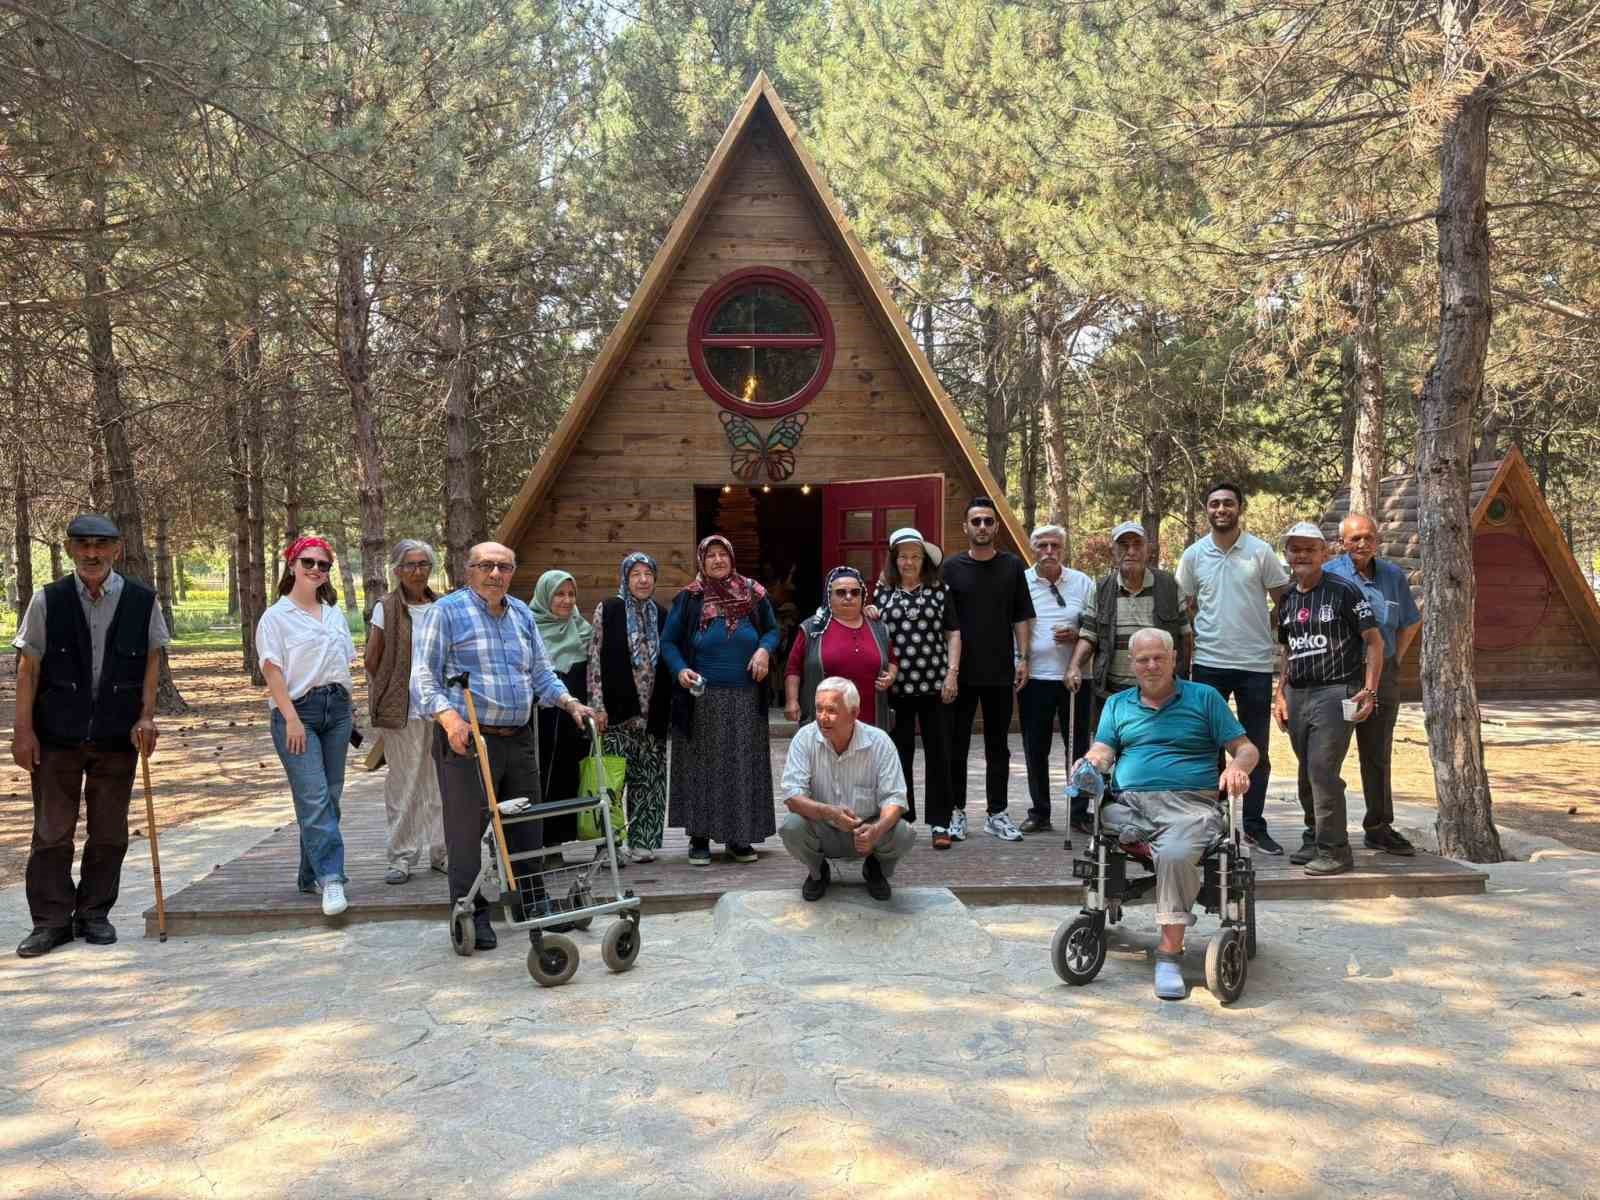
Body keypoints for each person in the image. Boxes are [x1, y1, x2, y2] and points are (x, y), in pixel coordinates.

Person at [411, 542, 596, 952]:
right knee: (466, 831)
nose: (496, 574)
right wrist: (449, 718)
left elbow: (542, 674)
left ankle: (532, 898)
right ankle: (471, 910)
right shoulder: (447, 612)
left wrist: (568, 702)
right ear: (469, 570)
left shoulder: (522, 615)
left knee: (527, 826)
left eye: (505, 567)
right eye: (487, 566)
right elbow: (423, 677)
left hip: (518, 737)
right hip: (468, 740)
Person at [12, 514, 170, 958]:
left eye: (101, 545)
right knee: (51, 832)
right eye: (82, 545)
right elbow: (29, 667)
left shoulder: (142, 600)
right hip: (56, 736)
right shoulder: (48, 600)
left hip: (118, 737)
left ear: (117, 549)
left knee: (109, 832)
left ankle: (94, 914)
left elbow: (153, 660)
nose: (92, 553)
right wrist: (22, 731)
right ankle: (51, 921)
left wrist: (147, 716)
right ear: (69, 550)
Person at [1077, 628, 1258, 1000]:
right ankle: (1144, 836)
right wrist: (1091, 763)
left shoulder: (1204, 698)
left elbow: (1246, 748)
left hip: (1189, 805)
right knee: (1106, 820)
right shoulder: (1118, 704)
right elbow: (1103, 749)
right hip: (1130, 805)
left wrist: (1238, 767)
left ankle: (1169, 956)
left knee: (1175, 854)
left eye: (1159, 657)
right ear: (1133, 664)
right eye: (1143, 659)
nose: (1151, 665)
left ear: (1174, 658)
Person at [1176, 482, 1292, 854]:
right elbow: (1187, 606)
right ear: (1206, 509)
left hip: (1255, 664)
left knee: (1255, 747)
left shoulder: (1260, 553)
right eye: (1214, 504)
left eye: (1228, 503)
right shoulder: (1193, 555)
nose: (1221, 509)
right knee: (1207, 749)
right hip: (1208, 664)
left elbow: (1283, 602)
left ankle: (1254, 825)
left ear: (1240, 508)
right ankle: (1215, 823)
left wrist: (1265, 632)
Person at [1272, 522, 1384, 877]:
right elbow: (1287, 650)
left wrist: (1369, 690)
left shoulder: (1344, 591)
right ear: (1287, 556)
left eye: (1310, 549)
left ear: (1324, 553)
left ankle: (1336, 850)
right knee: (1306, 770)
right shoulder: (1287, 598)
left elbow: (1374, 642)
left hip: (1336, 691)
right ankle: (1313, 838)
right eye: (1295, 549)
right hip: (1297, 692)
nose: (1302, 555)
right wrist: (1280, 693)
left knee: (1322, 769)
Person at [661, 535, 780, 866]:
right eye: (710, 555)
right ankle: (699, 838)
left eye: (722, 554)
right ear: (701, 561)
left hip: (745, 697)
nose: (717, 560)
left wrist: (763, 650)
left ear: (731, 557)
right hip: (702, 699)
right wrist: (681, 668)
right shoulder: (690, 598)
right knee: (703, 768)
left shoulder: (754, 594)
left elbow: (772, 630)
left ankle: (738, 838)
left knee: (741, 766)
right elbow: (668, 642)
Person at [257, 535, 360, 917]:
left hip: (337, 710)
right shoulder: (276, 617)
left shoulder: (333, 613)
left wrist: (352, 711)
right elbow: (272, 671)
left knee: (330, 797)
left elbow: (342, 667)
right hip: (297, 712)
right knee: (314, 798)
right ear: (292, 566)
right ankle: (333, 879)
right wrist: (292, 720)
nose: (316, 570)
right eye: (309, 563)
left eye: (323, 565)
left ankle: (309, 874)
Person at [1069, 521, 1191, 832]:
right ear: (1114, 551)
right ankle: (1111, 819)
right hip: (1112, 692)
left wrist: (1183, 678)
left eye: (1137, 544)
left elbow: (1185, 637)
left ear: (1149, 549)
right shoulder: (1102, 588)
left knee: (1154, 751)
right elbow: (1090, 633)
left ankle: (1158, 814)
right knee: (1107, 753)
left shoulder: (1168, 585)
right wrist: (1074, 665)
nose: (1131, 551)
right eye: (1123, 545)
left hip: (1159, 693)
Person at [1326, 513, 1422, 856]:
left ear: (1376, 540)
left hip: (1383, 678)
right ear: (1342, 542)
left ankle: (1379, 826)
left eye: (1368, 537)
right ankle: (1322, 829)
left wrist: (1390, 659)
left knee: (1377, 755)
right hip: (1339, 677)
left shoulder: (1394, 576)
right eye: (1355, 539)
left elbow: (1409, 622)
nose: (1362, 544)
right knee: (1327, 754)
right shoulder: (1330, 575)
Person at [942, 496, 1034, 842]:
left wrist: (1023, 658)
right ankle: (956, 812)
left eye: (988, 521)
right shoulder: (950, 569)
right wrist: (948, 670)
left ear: (996, 527)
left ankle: (997, 813)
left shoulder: (1012, 567)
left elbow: (1021, 615)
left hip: (999, 672)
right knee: (956, 745)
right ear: (965, 527)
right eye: (976, 521)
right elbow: (945, 624)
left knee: (999, 746)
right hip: (960, 673)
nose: (982, 526)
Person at [779, 677, 916, 901]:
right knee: (791, 827)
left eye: (831, 710)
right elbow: (793, 797)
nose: (823, 717)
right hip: (822, 827)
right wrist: (829, 812)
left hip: (866, 830)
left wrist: (877, 830)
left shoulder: (879, 741)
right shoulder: (804, 738)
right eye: (819, 709)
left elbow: (895, 797)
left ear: (854, 713)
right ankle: (817, 872)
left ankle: (876, 868)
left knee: (904, 833)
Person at [364, 538, 445, 885]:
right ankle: (401, 856)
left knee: (443, 784)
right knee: (405, 783)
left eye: (423, 564)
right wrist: (392, 688)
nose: (417, 571)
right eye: (410, 565)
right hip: (403, 710)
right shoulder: (387, 607)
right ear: (397, 570)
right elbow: (371, 659)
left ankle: (443, 852)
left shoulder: (442, 606)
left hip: (441, 710)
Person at [871, 527, 958, 848]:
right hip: (896, 689)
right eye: (903, 556)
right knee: (898, 756)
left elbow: (953, 634)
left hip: (935, 686)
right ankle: (901, 821)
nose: (909, 562)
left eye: (915, 556)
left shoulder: (940, 591)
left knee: (939, 754)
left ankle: (940, 823)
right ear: (895, 560)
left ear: (925, 560)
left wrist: (952, 674)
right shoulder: (880, 594)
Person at [586, 552, 672, 863]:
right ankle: (610, 844)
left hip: (653, 713)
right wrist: (597, 706)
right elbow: (595, 658)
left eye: (648, 573)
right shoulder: (609, 609)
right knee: (611, 781)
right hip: (616, 712)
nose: (643, 580)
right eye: (635, 573)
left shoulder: (662, 615)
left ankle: (643, 841)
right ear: (625, 577)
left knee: (649, 780)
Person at [1017, 524, 1095, 837]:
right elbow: (1013, 625)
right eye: (1043, 546)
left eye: (1055, 546)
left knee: (1077, 748)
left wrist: (1077, 636)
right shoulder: (1021, 582)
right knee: (1036, 748)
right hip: (1035, 678)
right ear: (1033, 548)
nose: (1049, 552)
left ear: (1063, 549)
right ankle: (1040, 812)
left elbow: (1094, 626)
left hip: (1076, 677)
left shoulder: (1082, 582)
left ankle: (1078, 812)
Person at [784, 565, 896, 728]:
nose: (849, 597)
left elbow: (893, 660)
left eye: (855, 592)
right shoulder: (812, 629)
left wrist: (891, 676)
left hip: (871, 720)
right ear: (829, 597)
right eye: (841, 592)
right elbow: (793, 668)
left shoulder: (878, 628)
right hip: (825, 720)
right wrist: (791, 701)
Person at [530, 570, 591, 849]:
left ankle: (557, 842)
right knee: (539, 777)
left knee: (569, 777)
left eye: (571, 594)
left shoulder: (582, 629)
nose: (566, 601)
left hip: (573, 721)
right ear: (545, 596)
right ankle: (535, 842)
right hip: (539, 720)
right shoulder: (528, 628)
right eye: (559, 594)